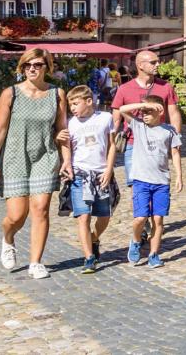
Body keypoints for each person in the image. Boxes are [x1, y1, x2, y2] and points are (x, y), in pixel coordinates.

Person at [0, 47, 71, 280]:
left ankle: (36, 262)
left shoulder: (57, 94)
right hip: (15, 157)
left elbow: (62, 129)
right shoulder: (10, 93)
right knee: (16, 216)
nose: (32, 69)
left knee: (41, 209)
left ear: (47, 68)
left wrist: (67, 160)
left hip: (45, 155)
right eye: (27, 65)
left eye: (37, 65)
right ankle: (8, 238)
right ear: (22, 68)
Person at [110, 50, 181, 247]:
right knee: (136, 187)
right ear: (140, 65)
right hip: (134, 143)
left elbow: (174, 113)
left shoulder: (165, 87)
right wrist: (111, 142)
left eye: (158, 61)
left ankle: (151, 221)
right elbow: (117, 117)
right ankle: (143, 224)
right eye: (153, 62)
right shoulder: (124, 89)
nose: (158, 65)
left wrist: (176, 139)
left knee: (156, 183)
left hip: (158, 142)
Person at [116, 96, 183, 268]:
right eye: (143, 112)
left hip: (161, 181)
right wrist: (144, 104)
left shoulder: (169, 131)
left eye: (148, 112)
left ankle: (154, 254)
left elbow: (175, 153)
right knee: (140, 218)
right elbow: (122, 109)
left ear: (159, 112)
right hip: (141, 180)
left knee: (158, 220)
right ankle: (136, 240)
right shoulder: (138, 126)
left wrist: (179, 176)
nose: (144, 114)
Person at [65, 84, 116, 273]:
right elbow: (67, 148)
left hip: (101, 173)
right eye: (70, 105)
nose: (73, 108)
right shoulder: (70, 123)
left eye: (75, 104)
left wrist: (109, 169)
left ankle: (95, 237)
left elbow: (112, 146)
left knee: (104, 215)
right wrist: (67, 165)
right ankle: (88, 257)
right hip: (80, 174)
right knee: (83, 216)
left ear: (89, 101)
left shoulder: (105, 118)